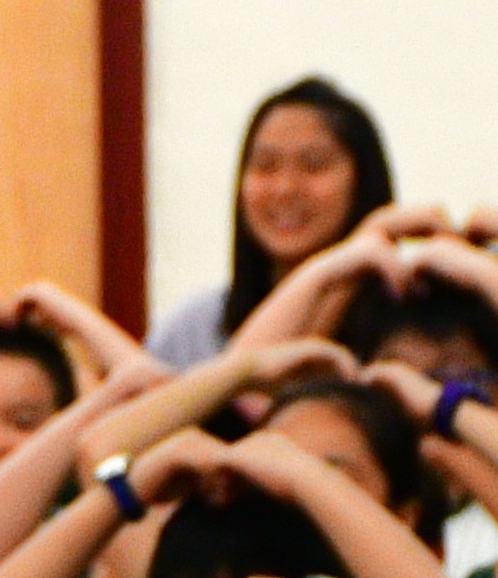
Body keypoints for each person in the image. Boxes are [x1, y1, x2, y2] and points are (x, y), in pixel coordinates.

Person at [152, 78, 396, 368]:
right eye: (266, 165)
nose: (284, 188)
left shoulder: (406, 323)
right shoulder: (194, 328)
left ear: (362, 181)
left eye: (313, 165)